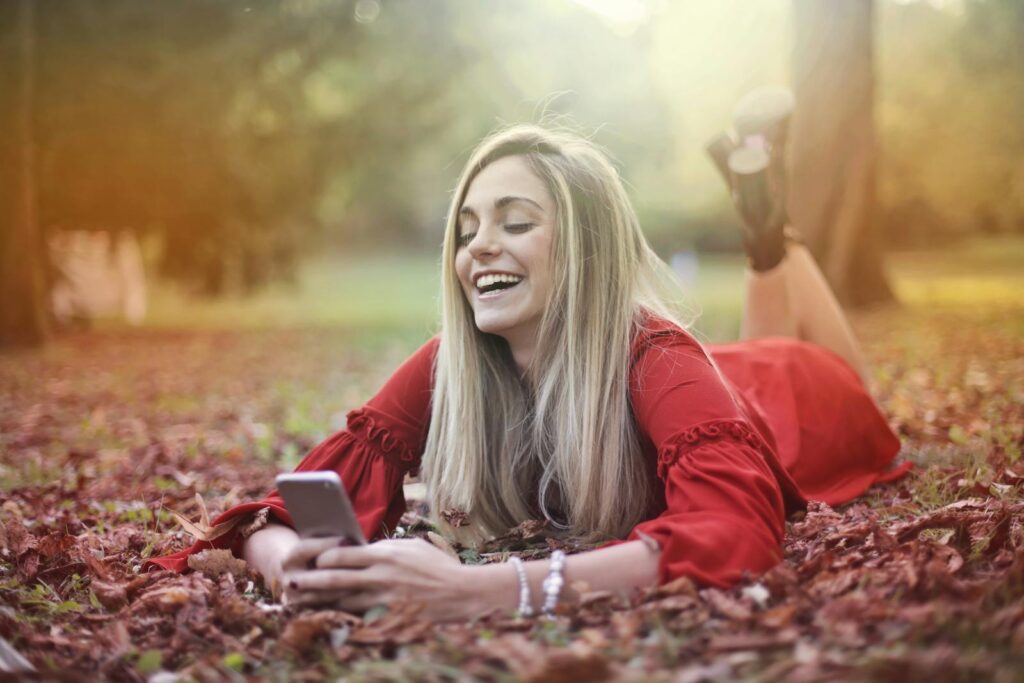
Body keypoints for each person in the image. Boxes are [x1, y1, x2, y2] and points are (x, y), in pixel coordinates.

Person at [147, 122, 908, 622]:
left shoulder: (660, 358)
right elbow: (288, 505)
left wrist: (481, 589)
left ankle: (771, 243)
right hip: (723, 380)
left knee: (822, 366)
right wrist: (289, 565)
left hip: (794, 404)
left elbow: (734, 532)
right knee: (749, 354)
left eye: (516, 222)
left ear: (586, 248)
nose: (479, 247)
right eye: (468, 229)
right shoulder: (457, 359)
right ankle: (766, 231)